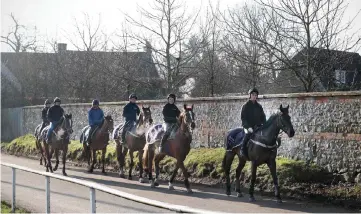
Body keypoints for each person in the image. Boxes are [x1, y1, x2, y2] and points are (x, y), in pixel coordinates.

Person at [240, 88, 266, 157]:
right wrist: (248, 127)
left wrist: (265, 124)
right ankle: (242, 150)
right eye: (253, 95)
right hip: (248, 127)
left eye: (255, 95)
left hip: (257, 126)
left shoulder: (259, 106)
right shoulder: (245, 106)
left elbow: (263, 117)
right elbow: (243, 118)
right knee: (247, 135)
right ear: (250, 95)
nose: (254, 96)